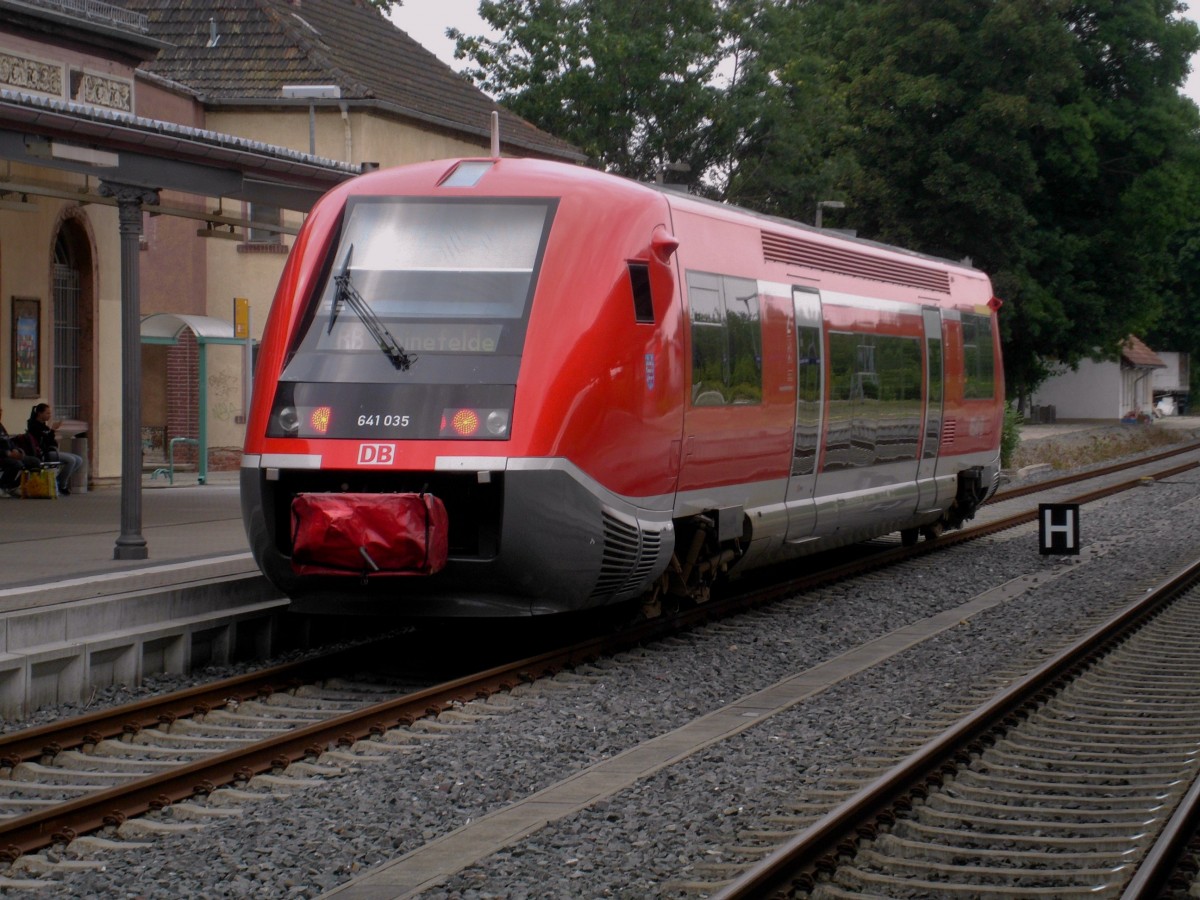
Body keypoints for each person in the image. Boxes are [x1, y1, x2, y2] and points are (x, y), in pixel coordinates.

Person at [25, 403, 82, 495]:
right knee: (71, 460)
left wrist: (52, 434)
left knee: (79, 460)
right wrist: (53, 430)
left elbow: (50, 440)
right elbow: (45, 440)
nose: (49, 415)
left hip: (51, 451)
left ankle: (58, 480)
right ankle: (62, 485)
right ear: (40, 413)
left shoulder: (44, 426)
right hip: (43, 453)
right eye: (47, 413)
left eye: (50, 413)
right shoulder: (34, 426)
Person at [0, 405, 40, 497]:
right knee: (17, 464)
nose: (0, 413)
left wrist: (16, 449)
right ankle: (3, 485)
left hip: (11, 453)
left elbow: (8, 441)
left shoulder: (1, 426)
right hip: (2, 456)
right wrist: (7, 453)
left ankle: (14, 486)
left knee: (34, 462)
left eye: (1, 411)